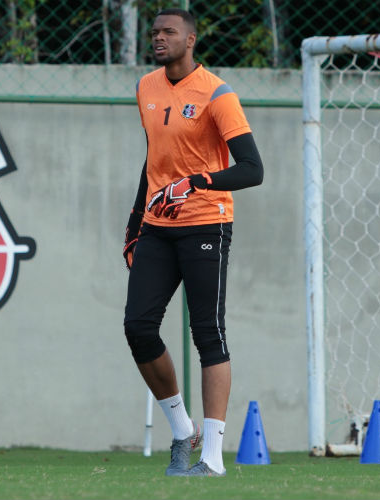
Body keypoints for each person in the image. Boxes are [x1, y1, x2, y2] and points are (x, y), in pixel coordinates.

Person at [122, 8, 263, 477]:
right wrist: (133, 226)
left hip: (206, 222)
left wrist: (199, 182)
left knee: (209, 334)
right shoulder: (145, 87)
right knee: (138, 327)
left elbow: (251, 168)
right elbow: (153, 162)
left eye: (169, 32)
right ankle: (183, 432)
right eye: (155, 32)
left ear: (191, 40)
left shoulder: (218, 95)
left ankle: (213, 459)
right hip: (157, 227)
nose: (159, 38)